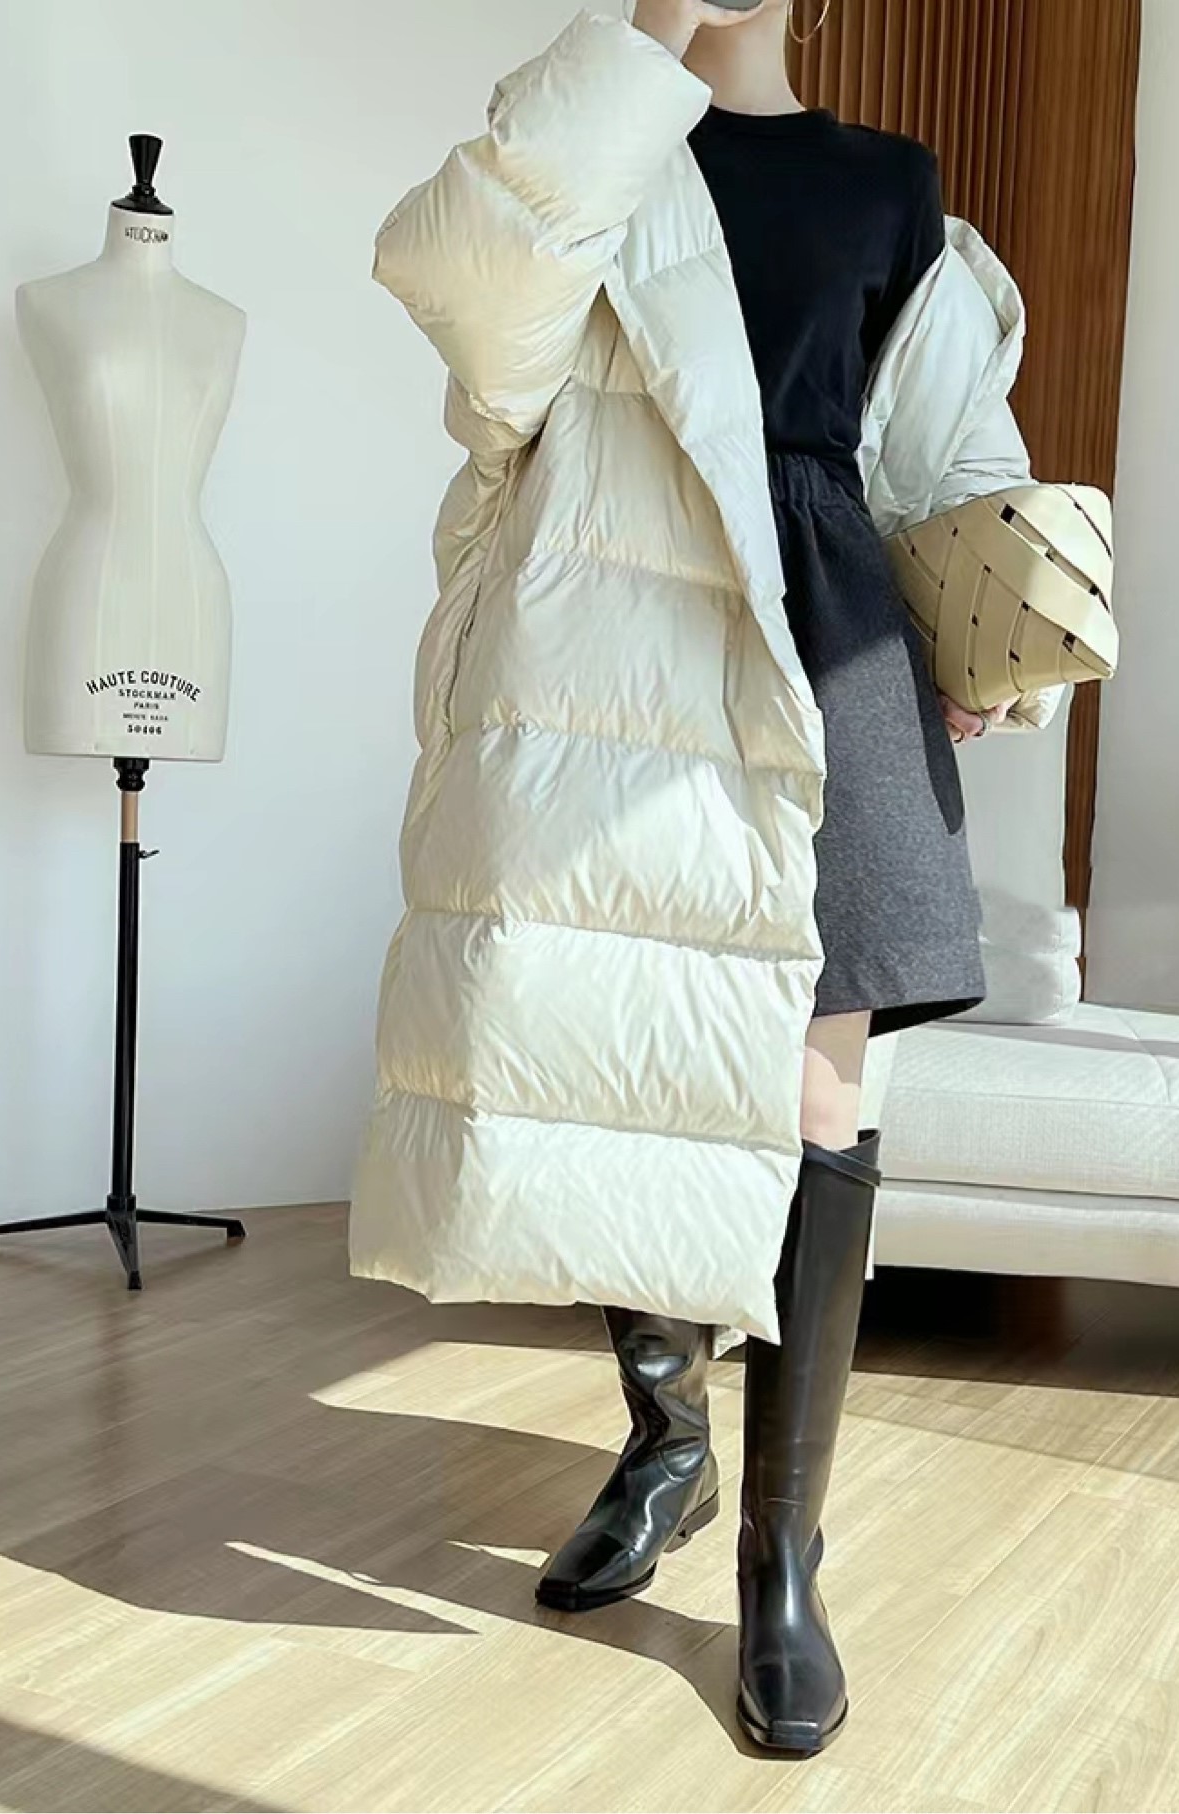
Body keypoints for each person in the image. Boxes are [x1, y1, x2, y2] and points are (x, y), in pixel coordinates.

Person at [351, 0, 1038, 1757]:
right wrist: (648, 34)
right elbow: (479, 331)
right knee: (624, 1051)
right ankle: (668, 1441)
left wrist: (996, 624)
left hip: (837, 642)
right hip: (620, 634)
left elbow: (943, 442)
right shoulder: (585, 136)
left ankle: (779, 1556)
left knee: (818, 1100)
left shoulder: (893, 182)